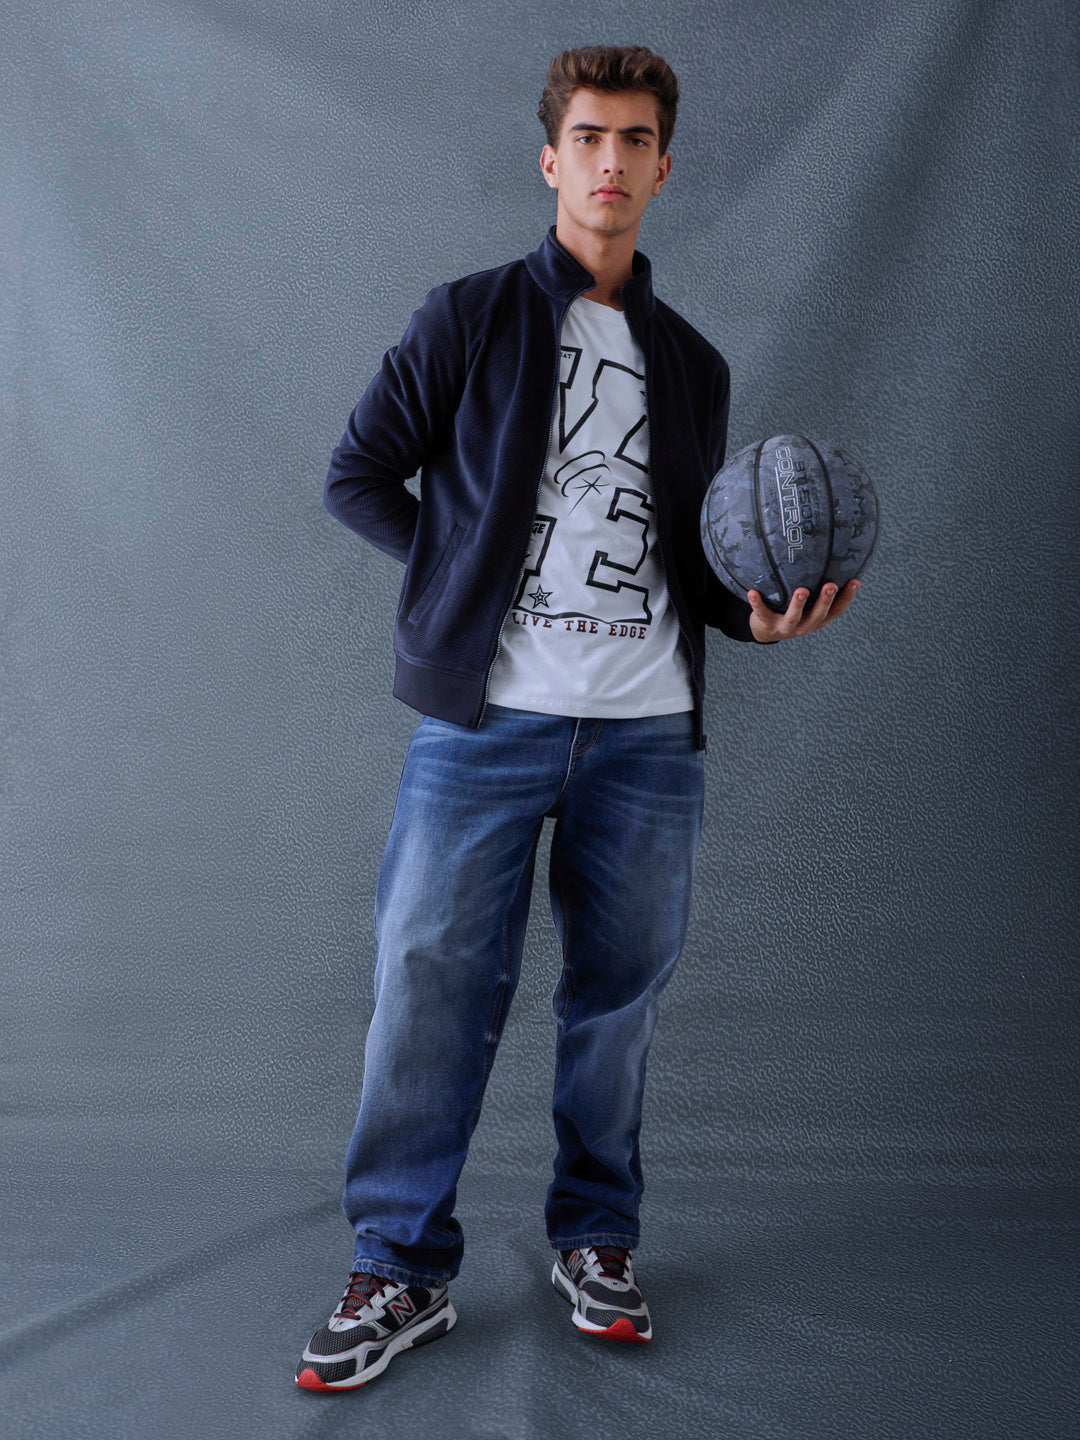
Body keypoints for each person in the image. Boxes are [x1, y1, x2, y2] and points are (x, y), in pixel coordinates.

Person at [296, 43, 858, 1393]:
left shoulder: (693, 365)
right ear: (552, 159)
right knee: (429, 982)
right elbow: (358, 474)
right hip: (484, 725)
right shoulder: (468, 317)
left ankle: (597, 1238)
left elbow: (694, 564)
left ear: (664, 169)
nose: (612, 162)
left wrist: (759, 620)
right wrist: (463, 578)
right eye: (590, 138)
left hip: (649, 736)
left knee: (618, 998)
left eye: (637, 141)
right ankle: (399, 1265)